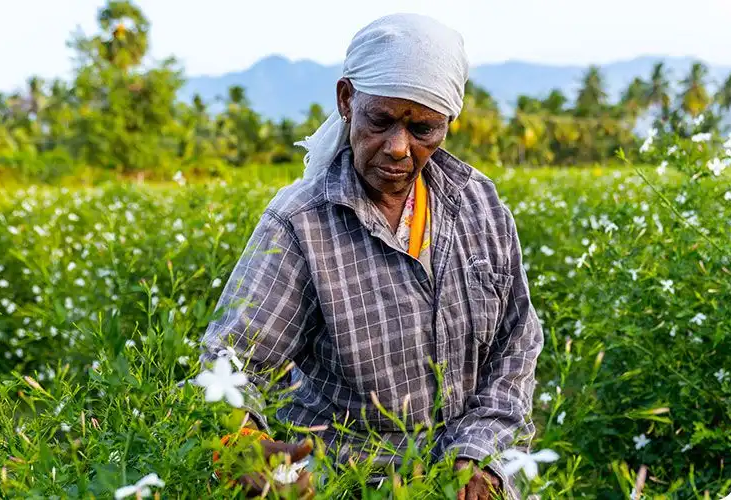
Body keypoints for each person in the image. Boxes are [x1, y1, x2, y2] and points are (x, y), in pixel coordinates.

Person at [200, 12, 543, 500]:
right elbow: (231, 363)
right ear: (346, 100)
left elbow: (517, 344)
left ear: (448, 124)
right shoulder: (302, 223)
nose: (398, 147)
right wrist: (245, 448)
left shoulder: (479, 205)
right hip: (350, 484)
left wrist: (478, 455)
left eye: (422, 128)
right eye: (379, 120)